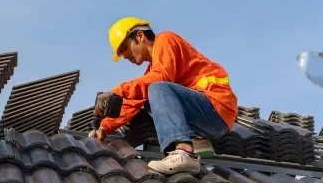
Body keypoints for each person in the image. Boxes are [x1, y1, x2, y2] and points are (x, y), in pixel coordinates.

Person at [91, 17, 238, 174]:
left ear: (140, 35)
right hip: (209, 117)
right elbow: (133, 102)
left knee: (157, 89)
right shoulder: (154, 69)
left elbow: (161, 78)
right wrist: (104, 127)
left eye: (124, 48)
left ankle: (184, 152)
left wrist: (117, 91)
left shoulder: (165, 39)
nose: (125, 56)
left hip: (216, 105)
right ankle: (199, 141)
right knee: (151, 95)